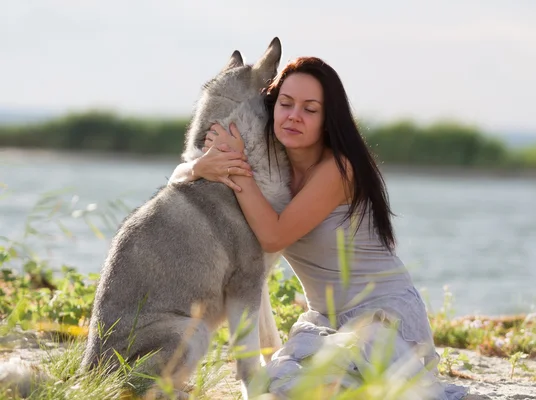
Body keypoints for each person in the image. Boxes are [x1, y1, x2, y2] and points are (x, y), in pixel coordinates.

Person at [169, 56, 469, 399]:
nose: (294, 115)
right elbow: (177, 180)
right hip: (325, 324)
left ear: (328, 120)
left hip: (382, 322)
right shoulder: (273, 165)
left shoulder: (339, 169)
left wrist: (236, 168)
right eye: (286, 104)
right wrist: (201, 168)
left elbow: (273, 237)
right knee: (281, 388)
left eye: (310, 109)